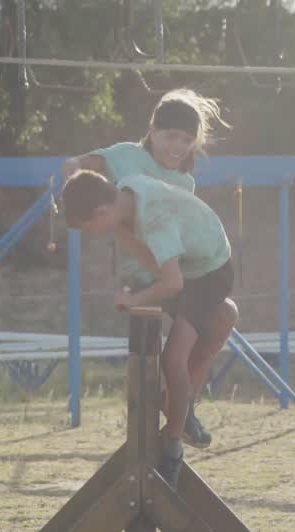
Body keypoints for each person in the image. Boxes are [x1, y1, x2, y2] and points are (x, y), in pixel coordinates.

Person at [60, 88, 228, 449]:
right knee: (170, 347)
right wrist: (74, 173)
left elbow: (177, 238)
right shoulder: (126, 157)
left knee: (225, 315)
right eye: (171, 137)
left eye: (187, 140)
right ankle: (172, 416)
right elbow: (83, 166)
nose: (177, 147)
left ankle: (184, 405)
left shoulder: (185, 183)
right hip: (143, 273)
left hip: (170, 269)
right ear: (153, 132)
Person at [61, 170, 238, 485]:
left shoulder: (154, 219)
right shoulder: (124, 192)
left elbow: (173, 282)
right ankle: (183, 409)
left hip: (211, 270)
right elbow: (151, 261)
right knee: (206, 325)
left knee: (173, 359)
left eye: (90, 228)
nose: (92, 234)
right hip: (188, 266)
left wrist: (137, 299)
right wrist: (141, 291)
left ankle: (173, 446)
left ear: (102, 212)